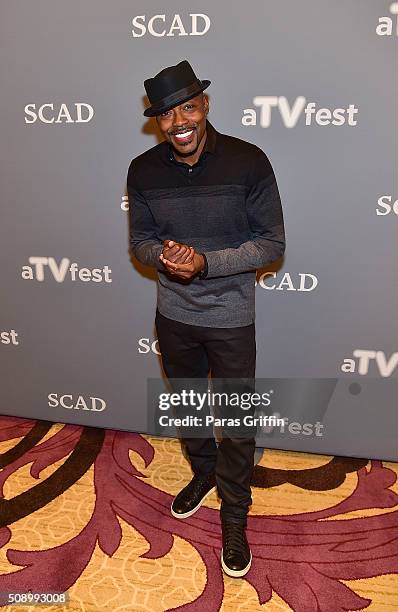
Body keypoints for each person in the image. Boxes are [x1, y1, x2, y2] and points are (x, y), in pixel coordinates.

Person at [127, 59, 286, 578]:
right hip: (173, 316)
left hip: (231, 318)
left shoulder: (249, 161)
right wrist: (165, 256)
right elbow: (141, 243)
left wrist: (206, 263)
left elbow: (271, 243)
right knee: (189, 407)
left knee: (237, 423)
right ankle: (203, 474)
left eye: (188, 108)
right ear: (159, 121)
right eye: (167, 114)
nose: (180, 122)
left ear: (205, 105)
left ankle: (235, 516)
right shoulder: (142, 170)